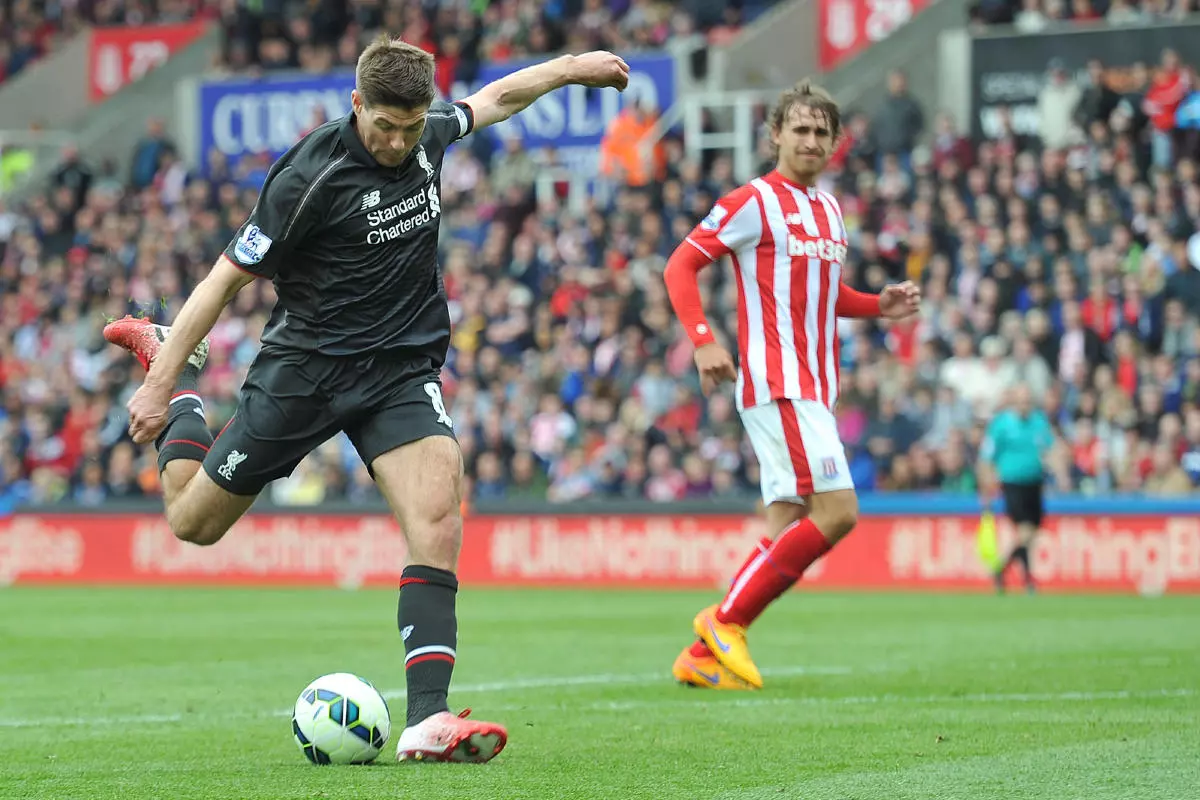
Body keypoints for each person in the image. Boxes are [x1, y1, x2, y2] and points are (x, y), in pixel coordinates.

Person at [101, 36, 630, 762]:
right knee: (192, 522)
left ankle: (427, 720)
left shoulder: (426, 139)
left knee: (439, 515)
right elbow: (226, 278)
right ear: (356, 104)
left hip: (397, 373)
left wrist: (573, 68)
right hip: (305, 373)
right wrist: (161, 389)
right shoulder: (308, 179)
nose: (397, 140)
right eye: (385, 125)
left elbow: (496, 100)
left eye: (411, 127)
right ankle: (171, 360)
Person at [662, 80, 922, 691]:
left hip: (814, 386)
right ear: (775, 134)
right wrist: (702, 339)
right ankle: (726, 620)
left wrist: (875, 305)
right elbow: (681, 263)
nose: (809, 140)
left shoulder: (830, 210)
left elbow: (825, 297)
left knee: (786, 526)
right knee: (839, 512)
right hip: (779, 383)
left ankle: (702, 655)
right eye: (798, 129)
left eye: (820, 132)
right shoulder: (752, 201)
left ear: (835, 144)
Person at [979, 383, 1054, 594]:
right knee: (1024, 530)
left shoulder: (1038, 421)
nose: (1024, 405)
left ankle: (1003, 570)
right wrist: (986, 487)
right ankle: (1028, 580)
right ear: (1013, 402)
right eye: (1021, 401)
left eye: (1027, 401)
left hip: (1034, 481)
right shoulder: (1001, 425)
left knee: (1031, 531)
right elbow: (986, 458)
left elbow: (1049, 448)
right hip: (1011, 481)